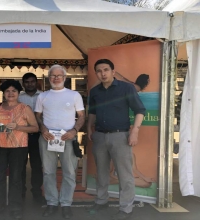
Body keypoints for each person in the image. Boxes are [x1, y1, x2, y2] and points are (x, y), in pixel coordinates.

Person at [87, 59, 146, 220]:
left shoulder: (126, 88)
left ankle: (126, 208)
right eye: (99, 71)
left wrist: (135, 131)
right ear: (96, 73)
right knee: (101, 171)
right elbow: (92, 112)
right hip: (99, 135)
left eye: (106, 69)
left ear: (113, 72)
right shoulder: (95, 91)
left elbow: (140, 110)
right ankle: (101, 201)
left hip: (120, 136)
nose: (103, 73)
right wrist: (88, 127)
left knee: (124, 174)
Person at [35, 65, 85, 219]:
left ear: (64, 78)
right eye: (53, 76)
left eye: (59, 75)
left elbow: (82, 116)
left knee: (69, 172)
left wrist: (74, 131)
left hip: (67, 138)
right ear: (49, 78)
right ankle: (51, 202)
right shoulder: (42, 96)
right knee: (48, 172)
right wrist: (42, 128)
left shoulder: (74, 95)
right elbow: (37, 116)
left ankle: (66, 203)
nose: (56, 78)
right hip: (47, 138)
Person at [0, 80, 39, 220]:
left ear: (18, 92)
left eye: (13, 91)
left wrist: (18, 127)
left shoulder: (24, 108)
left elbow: (35, 128)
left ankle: (15, 208)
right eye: (7, 91)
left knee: (16, 178)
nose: (10, 93)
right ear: (3, 93)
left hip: (18, 148)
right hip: (0, 147)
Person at [18, 72, 44, 202]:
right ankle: (21, 192)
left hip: (39, 135)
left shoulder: (44, 96)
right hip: (21, 134)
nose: (30, 84)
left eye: (32, 81)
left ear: (36, 82)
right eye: (27, 82)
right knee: (20, 165)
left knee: (37, 165)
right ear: (23, 84)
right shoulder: (18, 97)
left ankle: (37, 192)